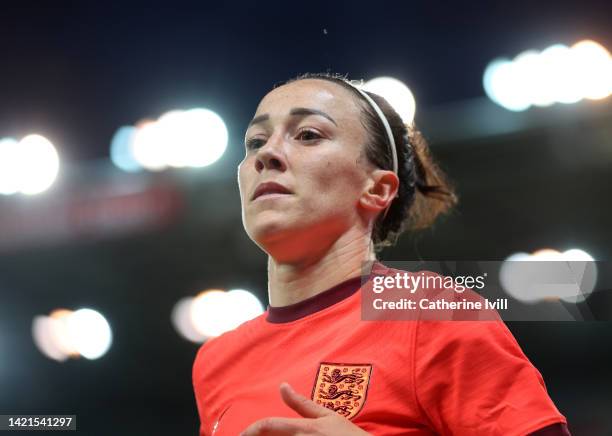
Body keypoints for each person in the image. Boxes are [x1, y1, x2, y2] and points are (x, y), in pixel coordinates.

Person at [192, 72, 570, 435]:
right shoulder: (215, 361)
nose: (267, 154)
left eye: (308, 134)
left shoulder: (431, 311)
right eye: (256, 141)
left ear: (377, 190)